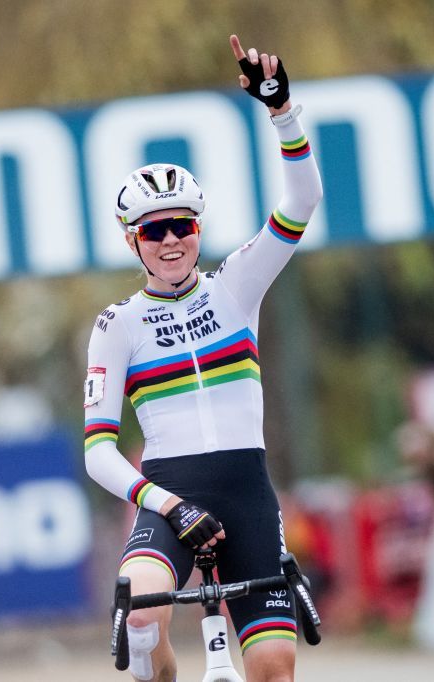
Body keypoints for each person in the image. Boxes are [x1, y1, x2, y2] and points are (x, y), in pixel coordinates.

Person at [83, 35, 322, 682]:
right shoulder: (118, 325)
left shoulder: (237, 286)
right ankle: (160, 675)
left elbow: (301, 203)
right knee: (139, 617)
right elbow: (97, 450)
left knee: (273, 667)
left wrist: (282, 112)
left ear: (199, 229)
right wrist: (166, 504)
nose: (170, 241)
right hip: (168, 497)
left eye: (182, 225)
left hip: (247, 493)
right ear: (133, 241)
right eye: (153, 230)